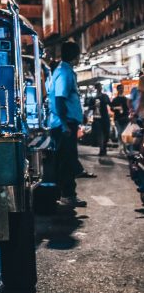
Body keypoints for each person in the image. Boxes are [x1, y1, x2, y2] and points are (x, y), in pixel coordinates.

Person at [47, 40, 86, 208]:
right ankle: (68, 195)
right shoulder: (64, 72)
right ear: (74, 56)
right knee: (67, 161)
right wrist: (64, 124)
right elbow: (60, 99)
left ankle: (64, 194)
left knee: (65, 160)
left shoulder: (62, 70)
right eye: (78, 55)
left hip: (64, 122)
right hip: (64, 123)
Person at [94, 82, 113, 157]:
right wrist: (93, 105)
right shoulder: (94, 98)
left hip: (105, 117)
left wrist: (115, 107)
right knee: (100, 134)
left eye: (100, 86)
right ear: (96, 88)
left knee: (106, 134)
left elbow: (110, 104)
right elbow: (89, 106)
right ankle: (101, 149)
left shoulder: (105, 96)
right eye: (98, 87)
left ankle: (104, 148)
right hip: (97, 118)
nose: (99, 88)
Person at [111, 83, 131, 150]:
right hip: (117, 119)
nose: (121, 89)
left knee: (124, 133)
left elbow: (129, 108)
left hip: (125, 118)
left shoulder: (126, 99)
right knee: (120, 132)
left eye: (122, 88)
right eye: (120, 88)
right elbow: (111, 108)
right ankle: (121, 146)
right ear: (117, 90)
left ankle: (124, 147)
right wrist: (115, 108)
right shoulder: (115, 99)